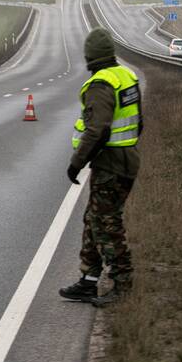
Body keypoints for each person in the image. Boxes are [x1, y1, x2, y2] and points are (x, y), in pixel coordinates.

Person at [59, 27, 142, 307]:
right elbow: (137, 122)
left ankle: (123, 282)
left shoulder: (100, 84)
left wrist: (76, 163)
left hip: (111, 165)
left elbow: (98, 130)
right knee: (92, 220)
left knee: (106, 224)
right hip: (126, 158)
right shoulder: (126, 76)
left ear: (90, 56)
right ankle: (88, 281)